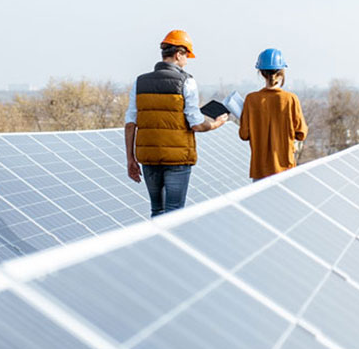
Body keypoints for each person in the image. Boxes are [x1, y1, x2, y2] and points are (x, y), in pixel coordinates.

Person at [124, 30, 228, 216]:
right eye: (186, 55)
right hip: (178, 159)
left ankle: (156, 245)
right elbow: (195, 123)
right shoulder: (186, 81)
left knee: (157, 210)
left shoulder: (140, 82)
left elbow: (130, 123)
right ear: (178, 54)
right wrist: (216, 124)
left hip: (149, 157)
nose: (186, 61)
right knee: (175, 214)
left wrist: (130, 159)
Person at [238, 48, 308, 180]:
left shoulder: (251, 99)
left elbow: (244, 134)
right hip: (285, 168)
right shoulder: (291, 99)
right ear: (282, 72)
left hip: (260, 170)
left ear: (261, 73)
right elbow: (302, 133)